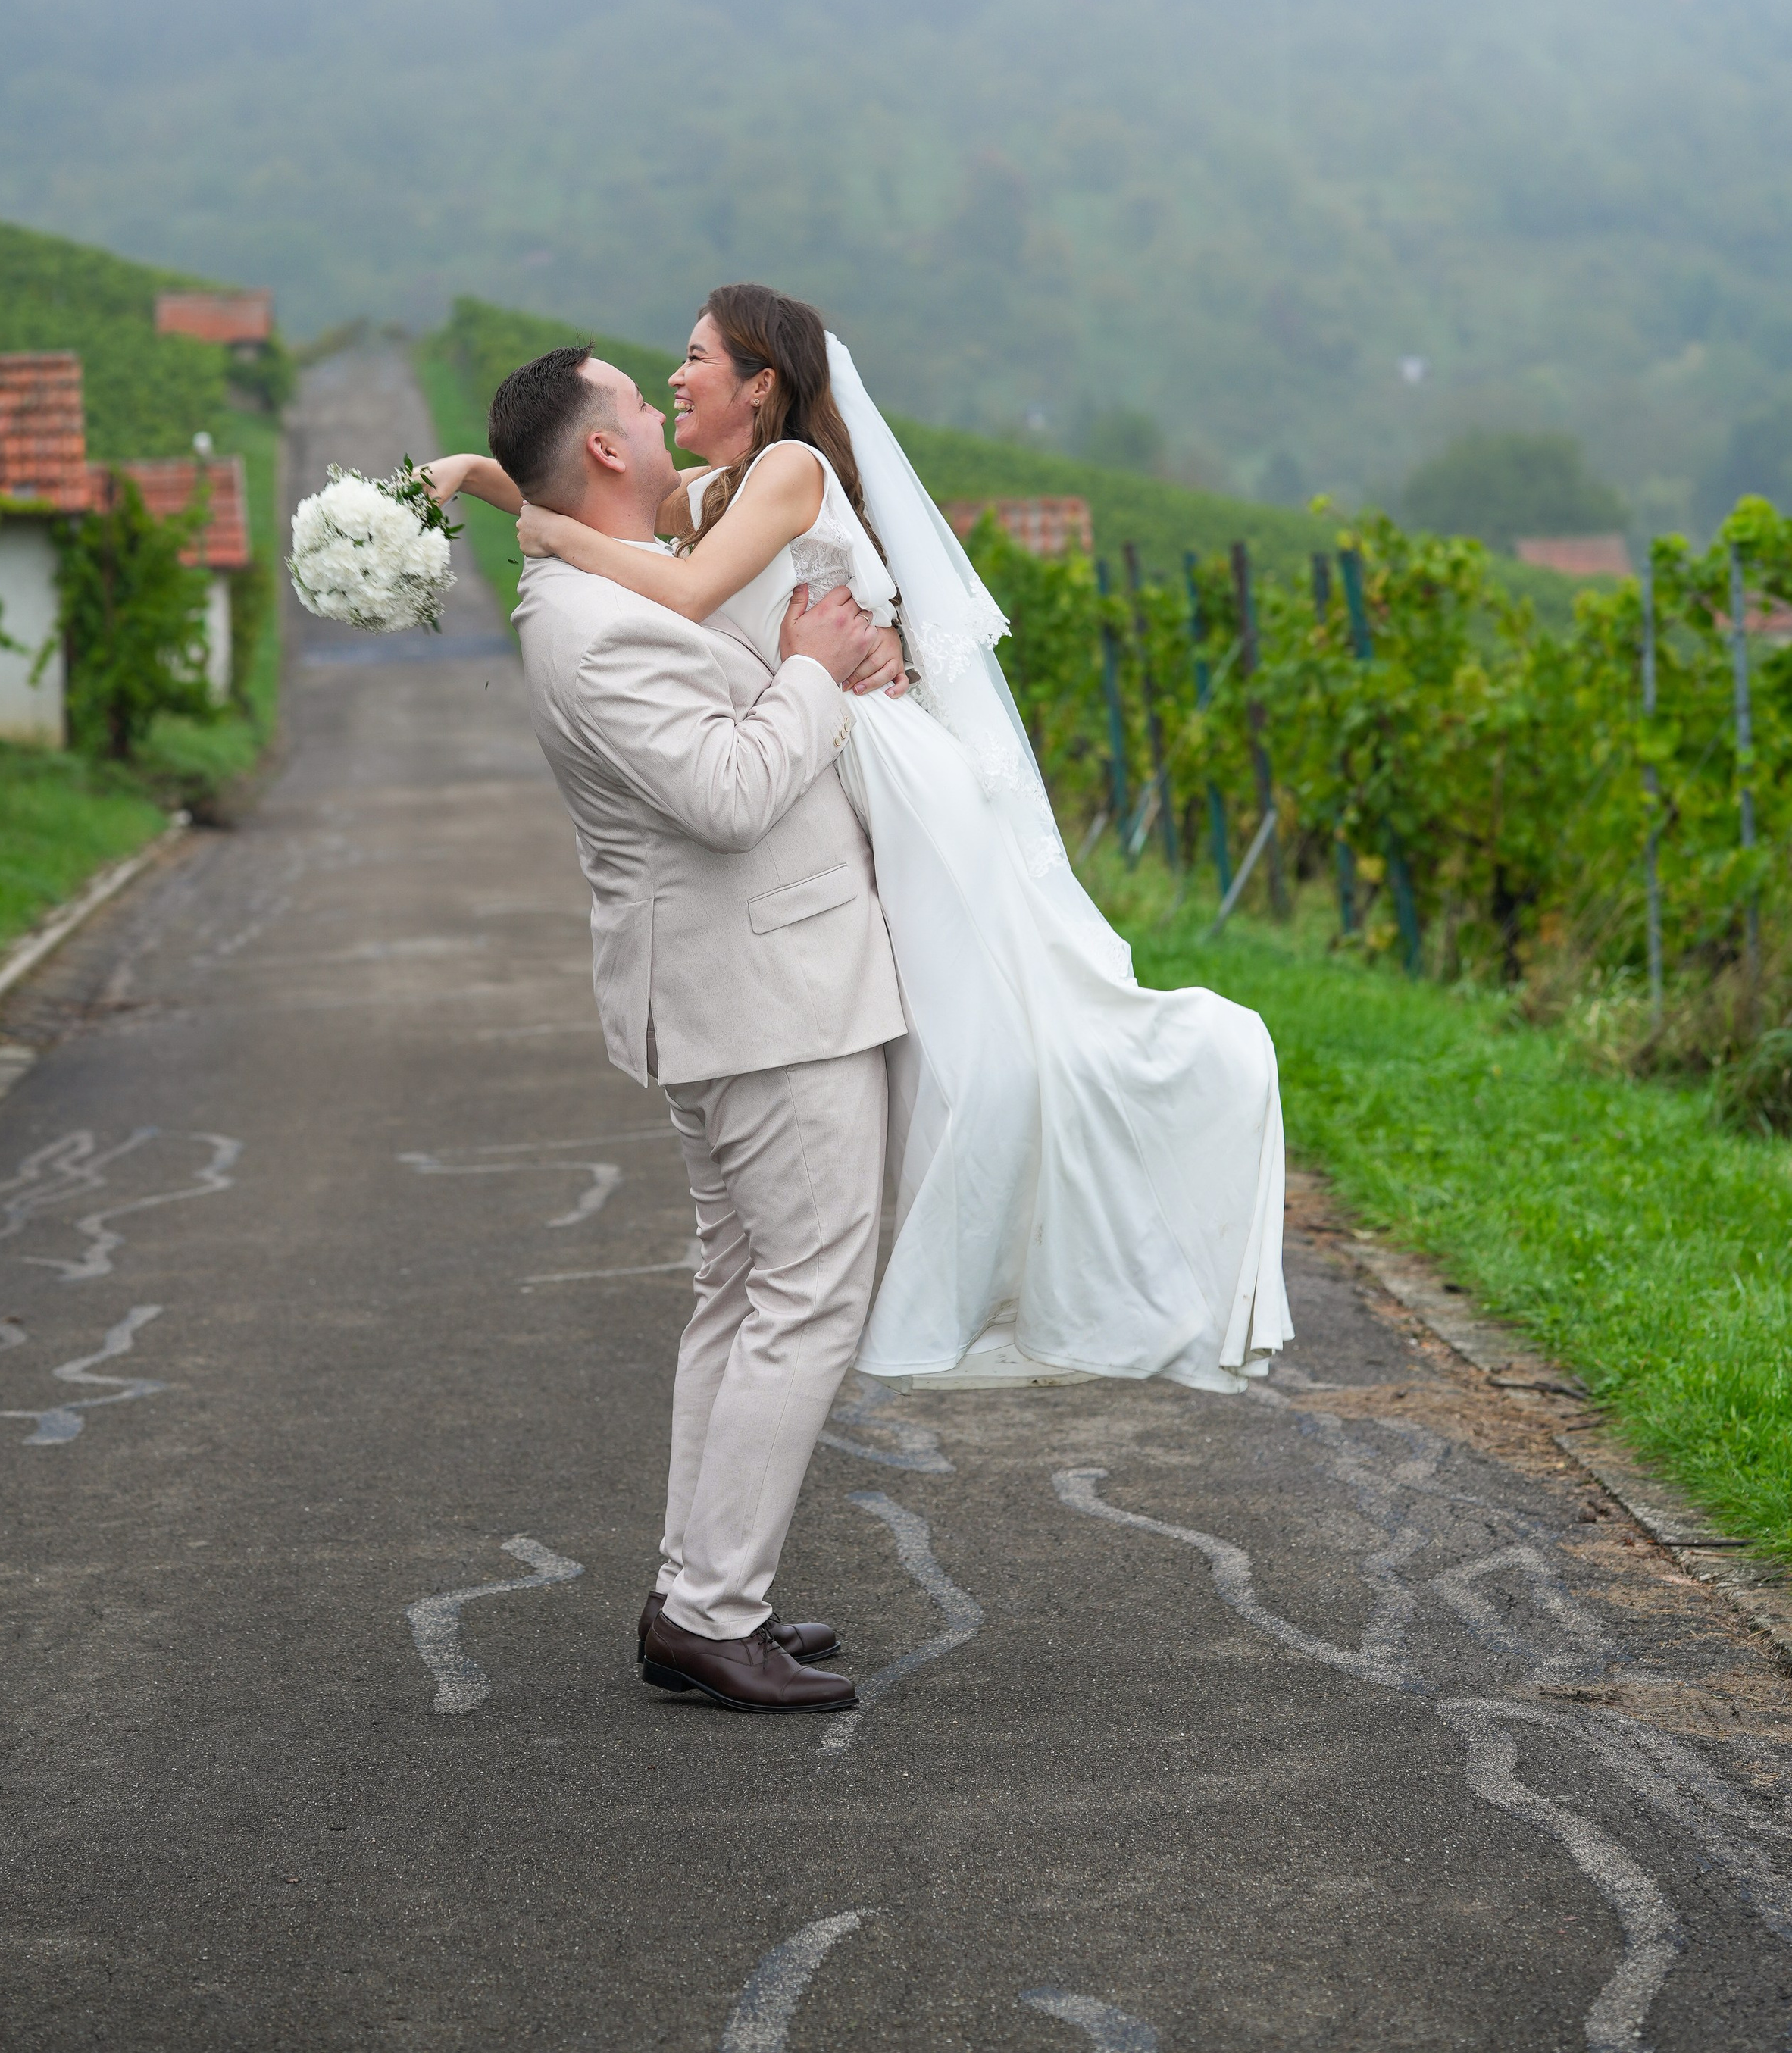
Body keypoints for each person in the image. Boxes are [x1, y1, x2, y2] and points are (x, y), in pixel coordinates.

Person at [433, 286, 1291, 1403]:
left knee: (993, 1040)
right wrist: (471, 475)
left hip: (881, 765)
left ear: (762, 386)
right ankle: (988, 1253)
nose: (676, 382)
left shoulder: (791, 473)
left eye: (693, 363)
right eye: (662, 378)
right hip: (831, 754)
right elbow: (591, 496)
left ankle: (1147, 1159)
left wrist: (542, 534)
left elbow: (676, 582)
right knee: (955, 1049)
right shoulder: (724, 490)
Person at [472, 343, 911, 1717]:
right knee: (807, 1293)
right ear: (604, 450)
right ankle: (714, 1614)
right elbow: (727, 796)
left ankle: (701, 1585)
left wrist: (492, 491)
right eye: (635, 404)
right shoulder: (595, 633)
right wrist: (814, 674)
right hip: (767, 1000)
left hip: (742, 992)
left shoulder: (597, 588)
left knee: (743, 1288)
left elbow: (676, 566)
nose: (665, 415)